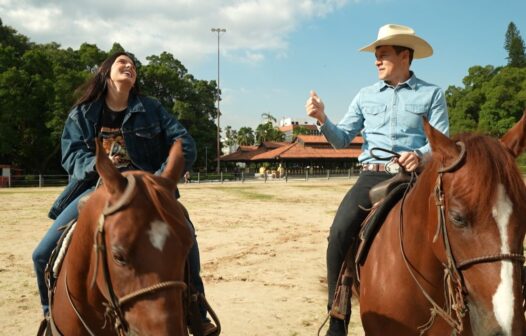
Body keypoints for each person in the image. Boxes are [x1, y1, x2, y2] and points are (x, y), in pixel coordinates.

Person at [32, 51, 217, 335]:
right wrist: (99, 167)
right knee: (42, 254)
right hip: (95, 187)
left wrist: (157, 181)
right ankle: (50, 317)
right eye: (122, 62)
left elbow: (184, 142)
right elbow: (71, 156)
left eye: (133, 65)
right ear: (106, 72)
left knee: (186, 234)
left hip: (146, 188)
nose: (129, 66)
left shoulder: (151, 108)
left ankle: (195, 308)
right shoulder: (82, 113)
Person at [305, 24, 449, 335]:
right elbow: (342, 139)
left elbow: (441, 141)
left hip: (417, 177)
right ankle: (337, 319)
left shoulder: (432, 94)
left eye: (382, 54)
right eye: (376, 56)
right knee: (338, 233)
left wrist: (421, 155)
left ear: (405, 56)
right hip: (373, 176)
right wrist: (321, 119)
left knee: (458, 225)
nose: (376, 61)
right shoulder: (364, 96)